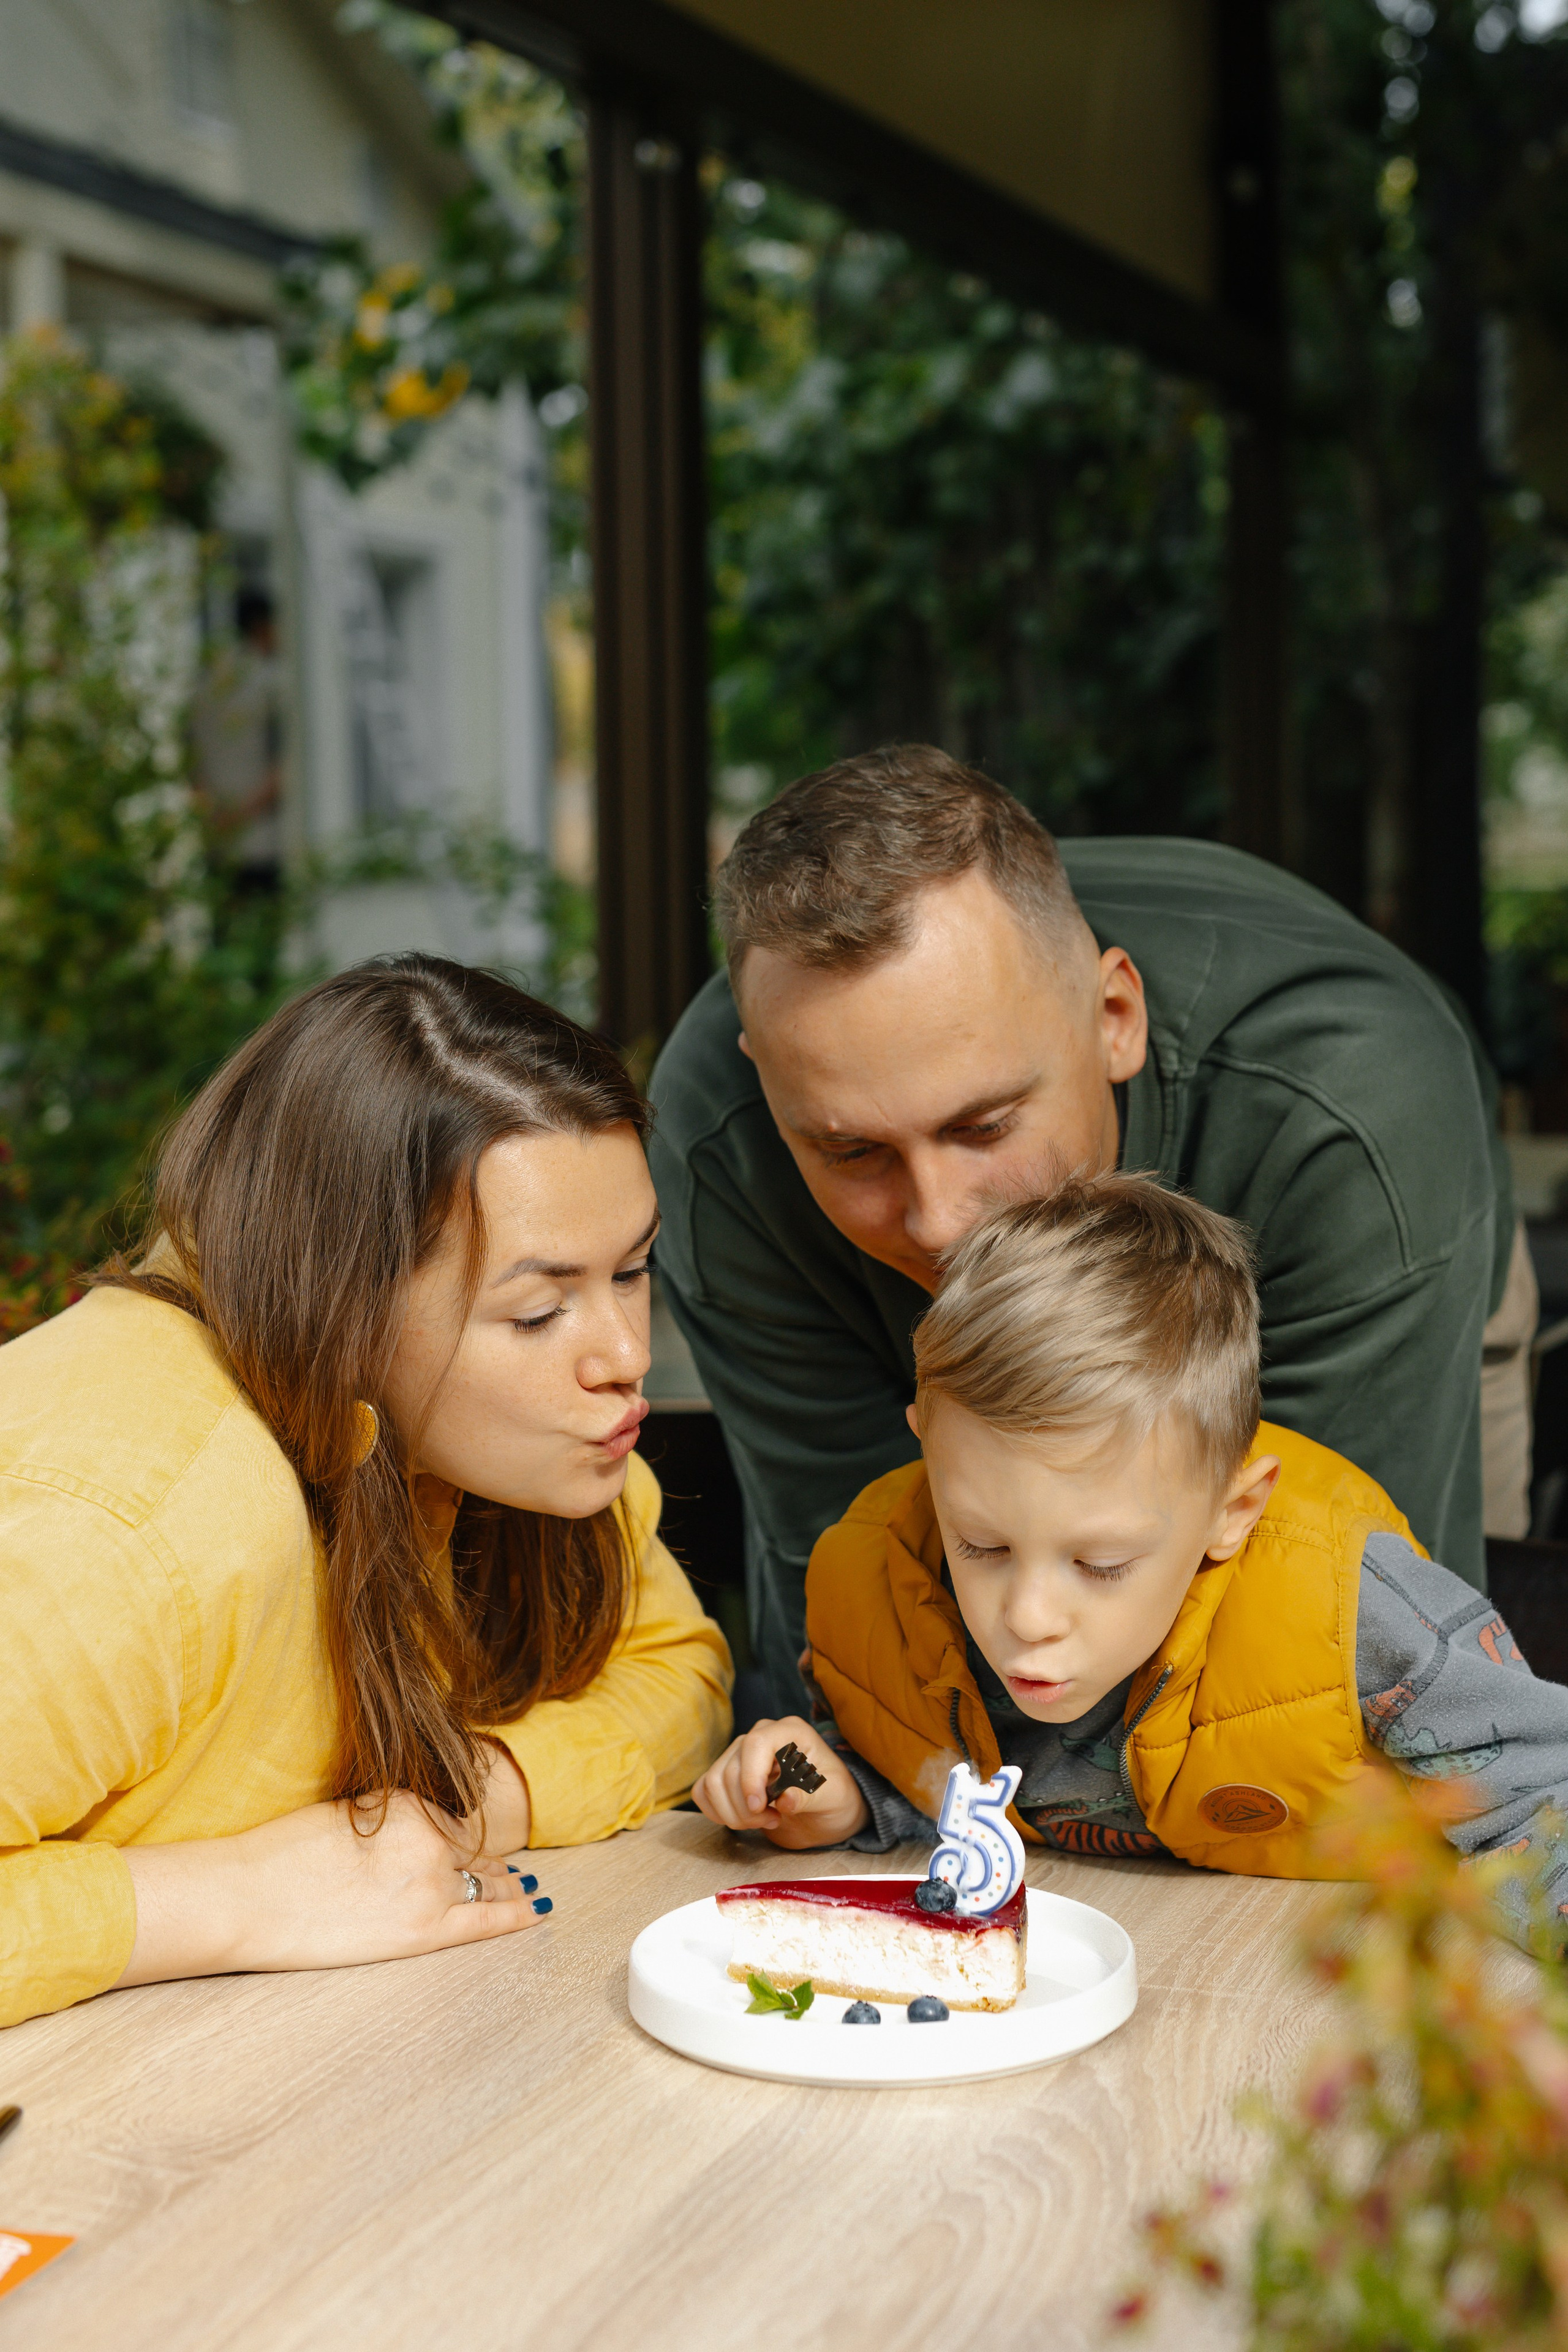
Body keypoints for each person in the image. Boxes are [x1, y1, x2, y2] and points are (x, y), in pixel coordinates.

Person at [649, 747, 1528, 1716]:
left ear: (1114, 1018)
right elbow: (857, 1609)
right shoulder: (720, 1137)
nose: (939, 1223)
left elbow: (1354, 1639)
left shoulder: (1352, 1116)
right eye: (852, 1152)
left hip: (1384, 1243)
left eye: (984, 1128)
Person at [0, 956, 732, 2031]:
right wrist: (243, 1900)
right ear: (343, 1299)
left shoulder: (510, 1445)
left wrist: (461, 1804)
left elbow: (682, 1672)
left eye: (630, 1270)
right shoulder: (128, 1534)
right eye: (538, 1314)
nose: (627, 1355)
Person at [691, 1177, 1568, 1948]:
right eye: (983, 1546)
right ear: (929, 1453)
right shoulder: (881, 1577)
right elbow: (917, 1775)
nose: (1028, 1615)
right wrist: (841, 1797)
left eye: (1102, 1562)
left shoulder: (1354, 1611)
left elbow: (1546, 1802)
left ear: (1232, 1513)